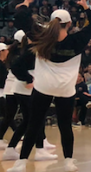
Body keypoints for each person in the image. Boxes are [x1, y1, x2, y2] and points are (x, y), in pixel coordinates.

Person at [9, 0, 91, 172]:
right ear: (70, 23)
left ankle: (21, 163)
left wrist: (25, 3)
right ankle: (68, 163)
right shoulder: (78, 40)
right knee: (65, 125)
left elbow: (20, 19)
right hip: (65, 89)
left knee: (34, 123)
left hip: (43, 87)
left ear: (50, 21)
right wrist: (85, 6)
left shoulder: (40, 37)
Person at [2, 26, 53, 162]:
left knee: (27, 121)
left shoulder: (33, 49)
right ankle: (40, 149)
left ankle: (11, 149)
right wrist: (28, 79)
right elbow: (16, 67)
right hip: (26, 90)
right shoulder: (32, 51)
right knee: (37, 118)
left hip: (22, 90)